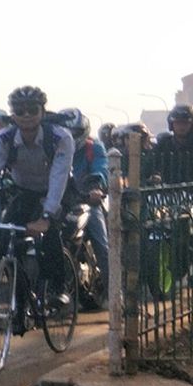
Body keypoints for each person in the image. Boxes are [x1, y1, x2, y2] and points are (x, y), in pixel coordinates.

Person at [0, 86, 75, 294]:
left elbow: (58, 178)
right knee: (5, 241)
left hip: (56, 192)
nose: (26, 115)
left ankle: (59, 288)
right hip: (25, 191)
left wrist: (46, 217)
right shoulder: (4, 137)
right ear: (13, 115)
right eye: (20, 111)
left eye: (32, 109)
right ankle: (19, 294)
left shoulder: (60, 137)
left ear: (43, 112)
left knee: (50, 235)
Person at [59, 108, 110, 307]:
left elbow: (101, 168)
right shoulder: (55, 147)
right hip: (62, 202)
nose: (71, 137)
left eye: (74, 133)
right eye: (67, 133)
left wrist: (96, 187)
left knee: (102, 247)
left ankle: (115, 296)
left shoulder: (93, 148)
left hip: (89, 202)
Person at [147, 104, 193, 185]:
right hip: (167, 192)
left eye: (185, 123)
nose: (181, 127)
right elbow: (149, 168)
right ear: (171, 124)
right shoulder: (163, 145)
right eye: (178, 123)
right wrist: (154, 177)